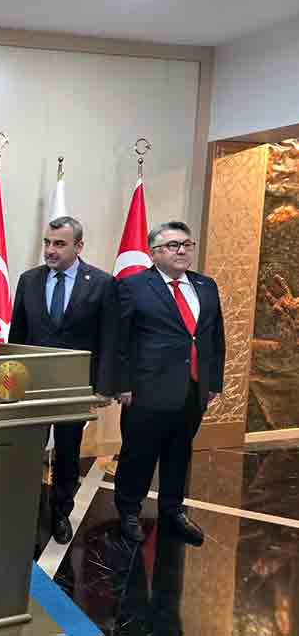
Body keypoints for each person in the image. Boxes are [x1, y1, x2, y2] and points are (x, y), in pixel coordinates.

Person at [115, 221, 225, 545]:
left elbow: (215, 337)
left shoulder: (206, 286)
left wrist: (213, 381)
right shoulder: (133, 286)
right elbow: (119, 341)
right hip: (146, 390)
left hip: (193, 388)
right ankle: (129, 511)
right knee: (139, 454)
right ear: (154, 253)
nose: (181, 251)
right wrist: (121, 384)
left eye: (186, 245)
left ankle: (173, 511)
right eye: (173, 245)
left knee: (179, 453)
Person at [9, 216, 117, 544]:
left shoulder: (101, 283)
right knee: (28, 450)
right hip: (33, 387)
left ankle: (60, 513)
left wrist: (104, 387)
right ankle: (24, 511)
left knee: (68, 453)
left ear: (78, 246)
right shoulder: (29, 280)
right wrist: (11, 383)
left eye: (59, 244)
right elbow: (17, 337)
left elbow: (109, 339)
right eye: (47, 243)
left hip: (75, 388)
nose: (50, 250)